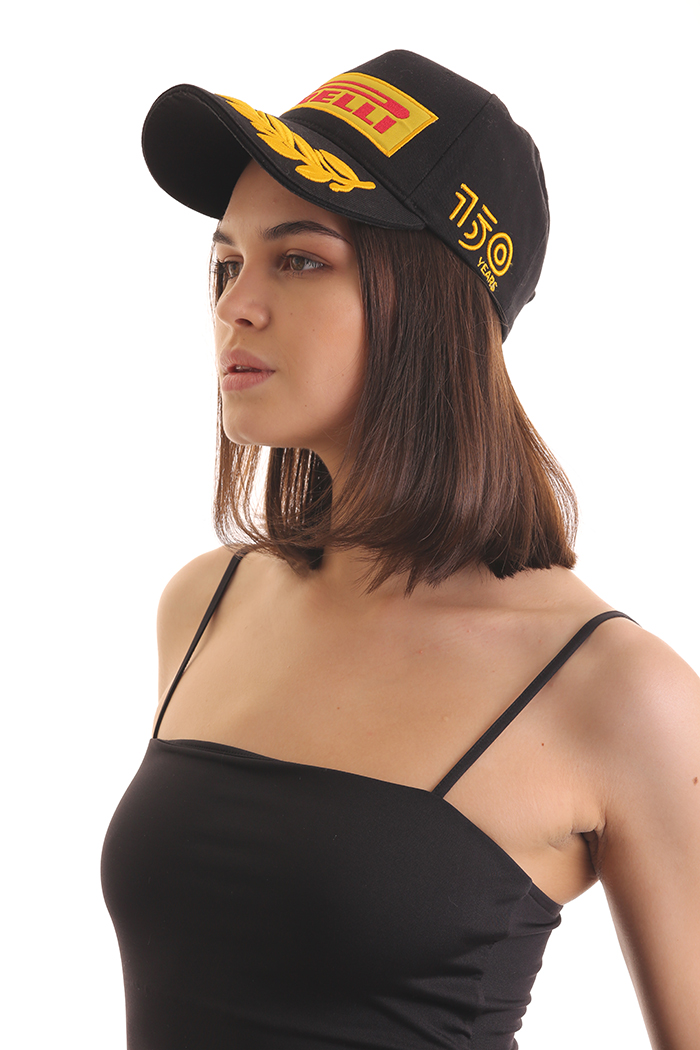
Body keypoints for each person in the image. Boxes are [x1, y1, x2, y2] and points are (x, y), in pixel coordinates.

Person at [101, 50, 700, 1049]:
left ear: (434, 299)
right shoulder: (204, 606)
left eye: (299, 259)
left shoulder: (615, 690)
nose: (235, 304)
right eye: (225, 262)